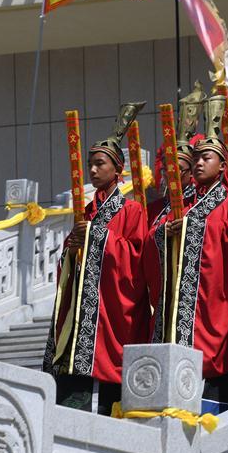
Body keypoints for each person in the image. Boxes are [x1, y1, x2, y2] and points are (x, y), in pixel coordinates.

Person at [144, 95, 228, 414]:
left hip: (211, 305)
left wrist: (194, 231)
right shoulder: (182, 205)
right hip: (175, 308)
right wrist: (166, 233)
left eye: (207, 157)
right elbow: (153, 237)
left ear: (223, 165)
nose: (199, 162)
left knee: (209, 392)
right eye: (196, 158)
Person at [43, 103, 149, 415]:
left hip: (109, 318)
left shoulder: (131, 211)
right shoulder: (86, 213)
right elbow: (69, 265)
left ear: (118, 170)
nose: (92, 170)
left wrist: (97, 237)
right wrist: (71, 250)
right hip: (79, 315)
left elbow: (135, 261)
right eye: (89, 164)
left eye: (99, 164)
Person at [147, 92, 202, 227]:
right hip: (169, 191)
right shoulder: (167, 144)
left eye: (191, 119)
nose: (186, 122)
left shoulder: (202, 140)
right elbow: (159, 166)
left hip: (192, 190)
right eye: (183, 119)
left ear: (197, 122)